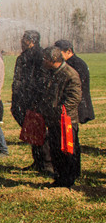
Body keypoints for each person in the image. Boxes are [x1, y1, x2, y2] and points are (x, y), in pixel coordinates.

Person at [38, 45, 82, 188]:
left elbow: (74, 98)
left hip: (66, 121)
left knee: (67, 151)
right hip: (53, 120)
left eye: (45, 59)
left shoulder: (70, 74)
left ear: (53, 59)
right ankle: (59, 177)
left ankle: (68, 180)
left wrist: (59, 112)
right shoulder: (51, 72)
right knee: (55, 150)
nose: (43, 61)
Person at [12, 31, 53, 173]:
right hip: (24, 99)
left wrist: (35, 95)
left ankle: (47, 163)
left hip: (35, 99)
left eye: (24, 39)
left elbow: (43, 79)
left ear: (31, 41)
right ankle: (38, 161)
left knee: (40, 130)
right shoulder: (23, 56)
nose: (21, 42)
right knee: (32, 130)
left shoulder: (40, 56)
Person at [56, 40, 95, 124]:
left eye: (59, 53)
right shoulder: (69, 63)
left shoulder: (77, 64)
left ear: (69, 51)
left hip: (77, 104)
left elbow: (77, 86)